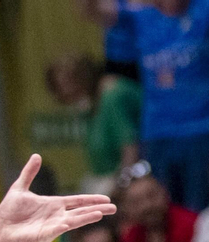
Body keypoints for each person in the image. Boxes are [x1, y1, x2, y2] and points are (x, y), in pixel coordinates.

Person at [88, 0, 209, 211]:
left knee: (197, 214)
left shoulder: (202, 11)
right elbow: (97, 10)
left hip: (200, 130)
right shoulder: (141, 17)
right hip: (157, 133)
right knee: (162, 212)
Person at [46, 52, 143, 195]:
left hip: (129, 182)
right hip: (103, 178)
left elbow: (130, 149)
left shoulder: (112, 96)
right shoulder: (87, 107)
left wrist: (121, 189)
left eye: (69, 84)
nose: (65, 92)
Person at [118, 170, 198, 242]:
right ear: (127, 209)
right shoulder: (131, 239)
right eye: (137, 202)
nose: (147, 206)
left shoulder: (193, 225)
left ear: (165, 192)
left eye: (152, 196)